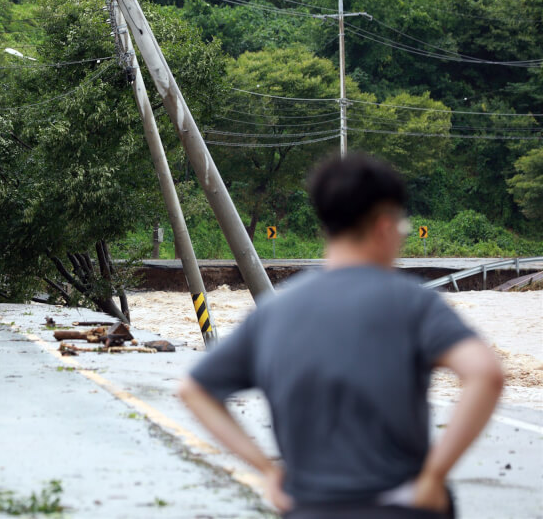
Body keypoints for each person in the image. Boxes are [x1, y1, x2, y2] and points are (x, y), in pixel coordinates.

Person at [179, 153, 504, 518]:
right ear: (384, 226)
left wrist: (268, 471)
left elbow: (195, 390)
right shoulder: (413, 303)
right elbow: (485, 374)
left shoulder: (273, 313)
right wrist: (433, 475)